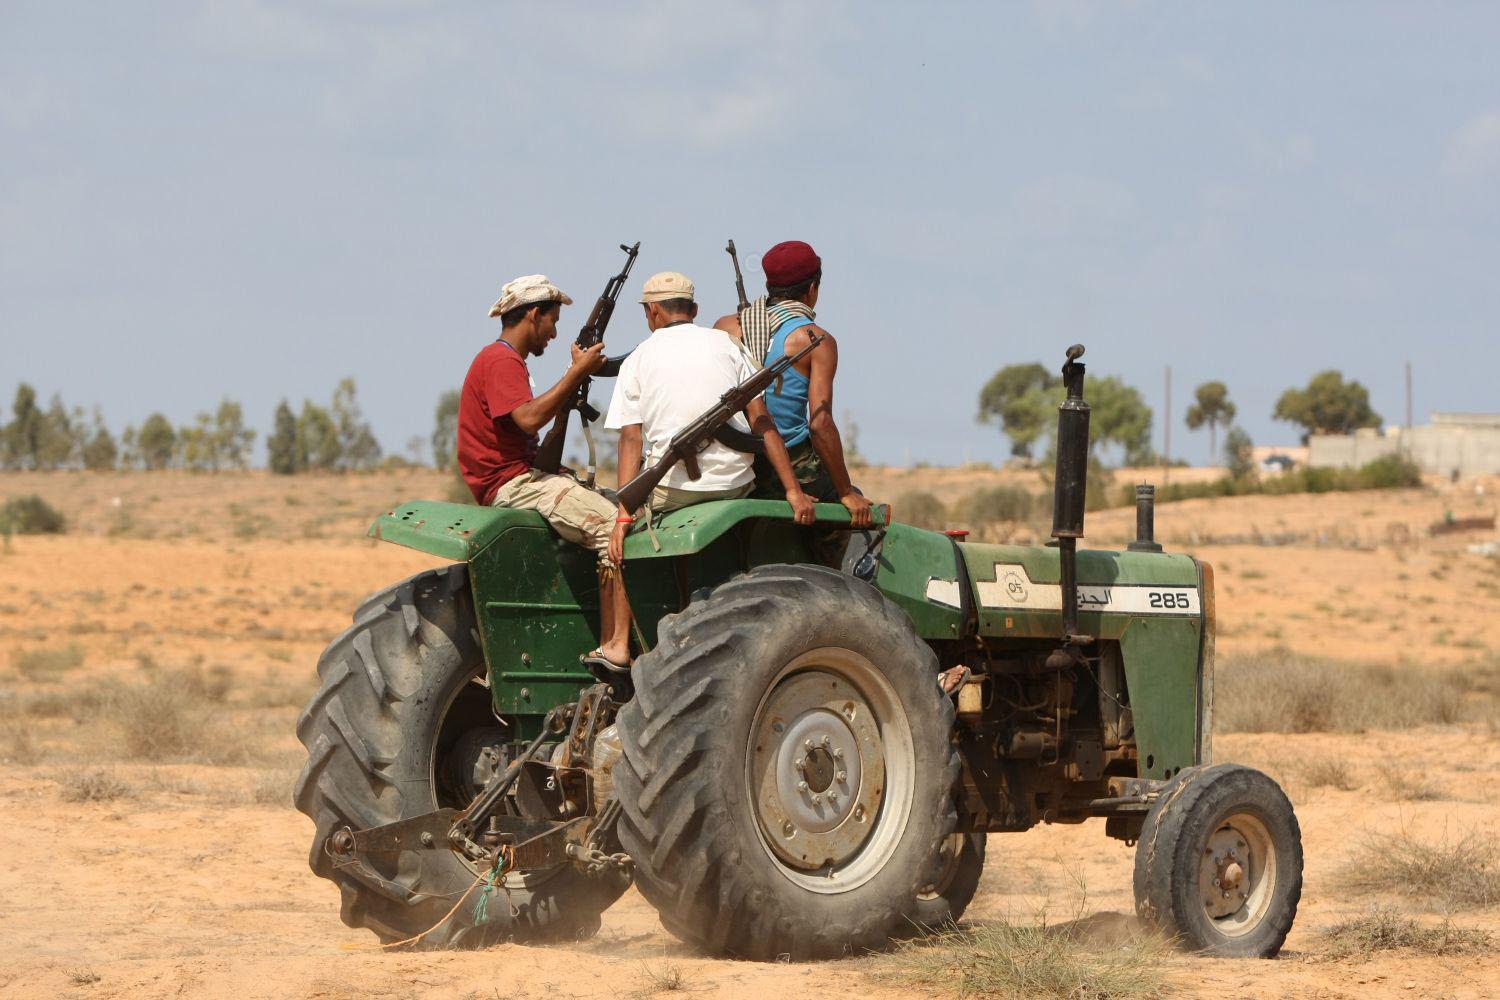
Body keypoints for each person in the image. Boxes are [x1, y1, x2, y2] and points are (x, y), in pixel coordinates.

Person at [457, 273, 633, 671]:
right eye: (553, 321)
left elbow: (535, 448)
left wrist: (570, 394)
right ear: (535, 315)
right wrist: (575, 372)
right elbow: (528, 418)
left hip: (522, 476)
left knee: (619, 502)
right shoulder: (501, 361)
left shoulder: (504, 361)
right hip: (512, 486)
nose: (554, 333)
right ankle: (615, 647)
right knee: (613, 524)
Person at [605, 271, 814, 563]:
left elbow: (631, 438)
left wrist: (622, 518)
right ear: (694, 311)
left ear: (651, 310)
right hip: (734, 485)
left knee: (605, 547)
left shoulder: (637, 358)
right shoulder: (727, 344)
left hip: (672, 491)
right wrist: (794, 491)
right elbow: (761, 420)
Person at [726, 240, 872, 528]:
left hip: (738, 460)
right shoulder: (815, 340)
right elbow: (819, 424)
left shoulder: (726, 327)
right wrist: (845, 491)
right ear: (813, 288)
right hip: (793, 461)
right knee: (859, 515)